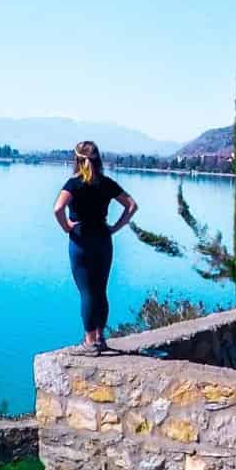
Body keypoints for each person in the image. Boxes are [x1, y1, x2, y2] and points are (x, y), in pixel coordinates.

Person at [52, 140, 139, 349]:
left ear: (76, 159)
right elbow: (132, 206)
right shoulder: (106, 183)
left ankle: (89, 341)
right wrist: (115, 228)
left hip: (81, 239)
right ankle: (100, 337)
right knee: (100, 290)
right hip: (102, 237)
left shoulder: (73, 183)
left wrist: (66, 227)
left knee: (87, 292)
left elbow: (58, 209)